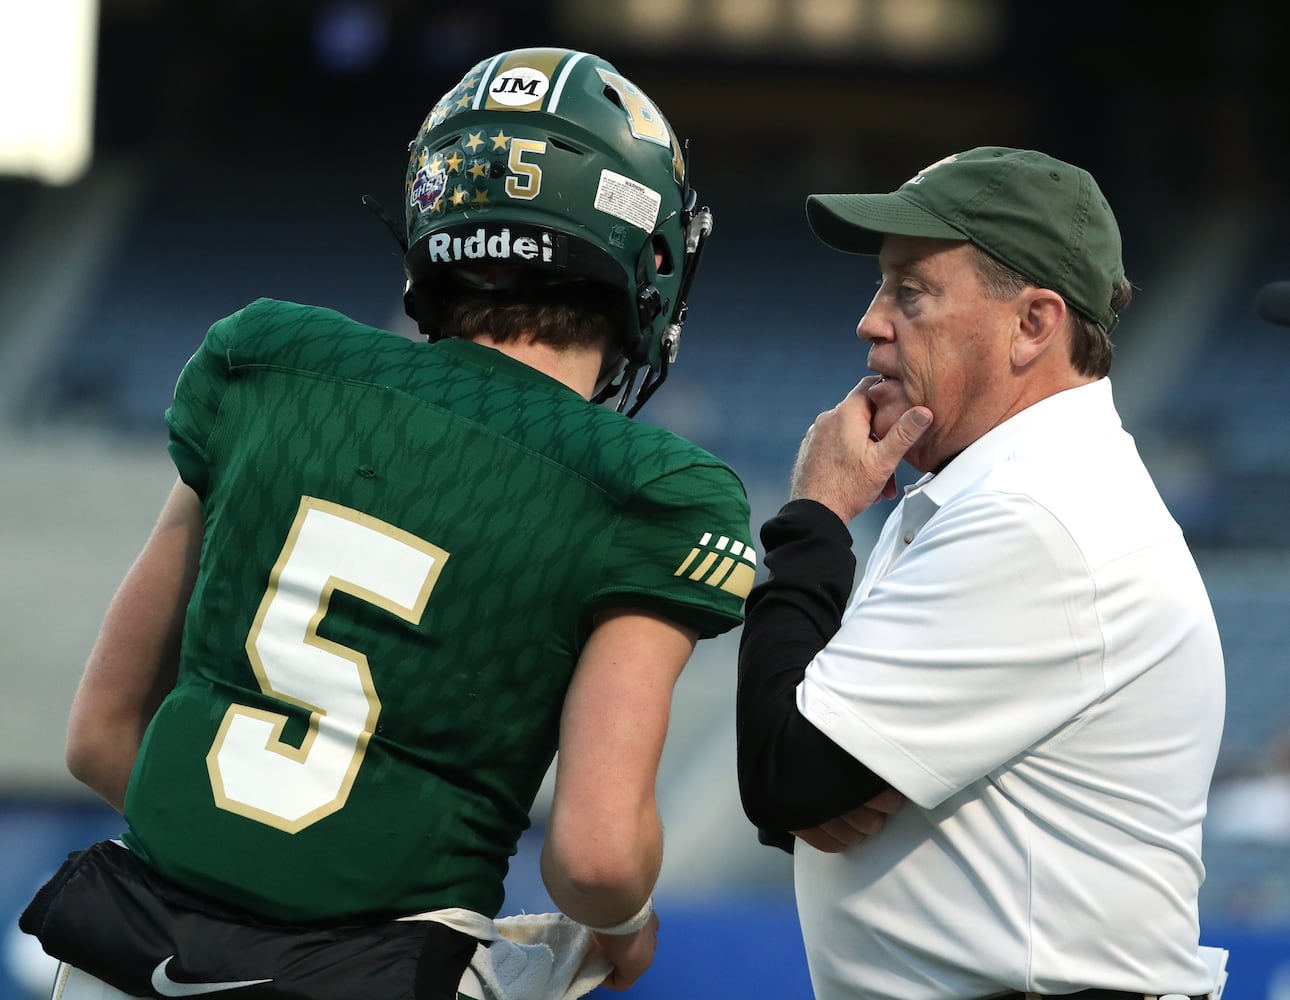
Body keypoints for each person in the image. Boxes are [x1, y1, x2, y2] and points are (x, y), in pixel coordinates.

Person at [20, 46, 754, 1000]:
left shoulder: (269, 367)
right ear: (647, 253)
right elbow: (598, 857)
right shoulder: (653, 488)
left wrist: (243, 884)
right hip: (386, 968)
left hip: (134, 949)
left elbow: (103, 735)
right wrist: (623, 928)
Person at [735, 146, 1228, 1000]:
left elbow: (786, 771)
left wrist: (815, 517)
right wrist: (816, 784)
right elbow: (807, 784)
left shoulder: (1037, 514)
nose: (871, 320)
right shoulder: (984, 486)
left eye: (910, 291)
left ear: (1033, 324)